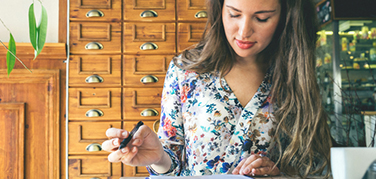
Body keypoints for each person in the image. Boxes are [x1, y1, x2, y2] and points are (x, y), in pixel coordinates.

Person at [102, 0, 332, 178]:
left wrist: (280, 176)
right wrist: (159, 157)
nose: (243, 32)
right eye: (234, 14)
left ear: (284, 17)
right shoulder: (186, 70)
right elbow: (171, 167)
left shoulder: (297, 73)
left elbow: (320, 168)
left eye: (261, 18)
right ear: (219, 9)